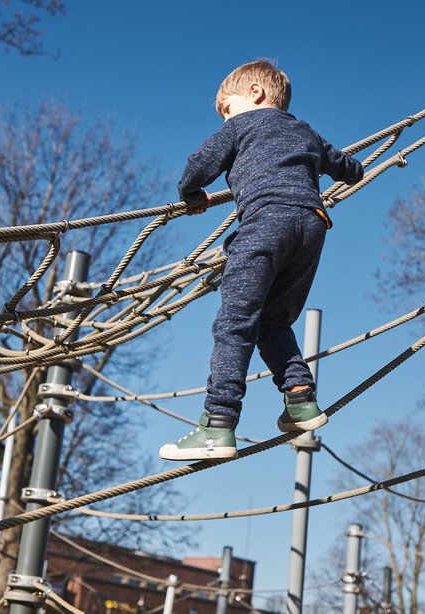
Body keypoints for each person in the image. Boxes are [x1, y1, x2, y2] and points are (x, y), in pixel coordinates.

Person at [159, 59, 364, 461]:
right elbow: (350, 169)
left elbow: (197, 168)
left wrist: (191, 195)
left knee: (235, 324)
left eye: (227, 109)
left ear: (254, 94)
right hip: (312, 227)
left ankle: (218, 423)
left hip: (264, 224)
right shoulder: (306, 131)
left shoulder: (239, 127)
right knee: (274, 322)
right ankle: (301, 401)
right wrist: (341, 169)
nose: (225, 119)